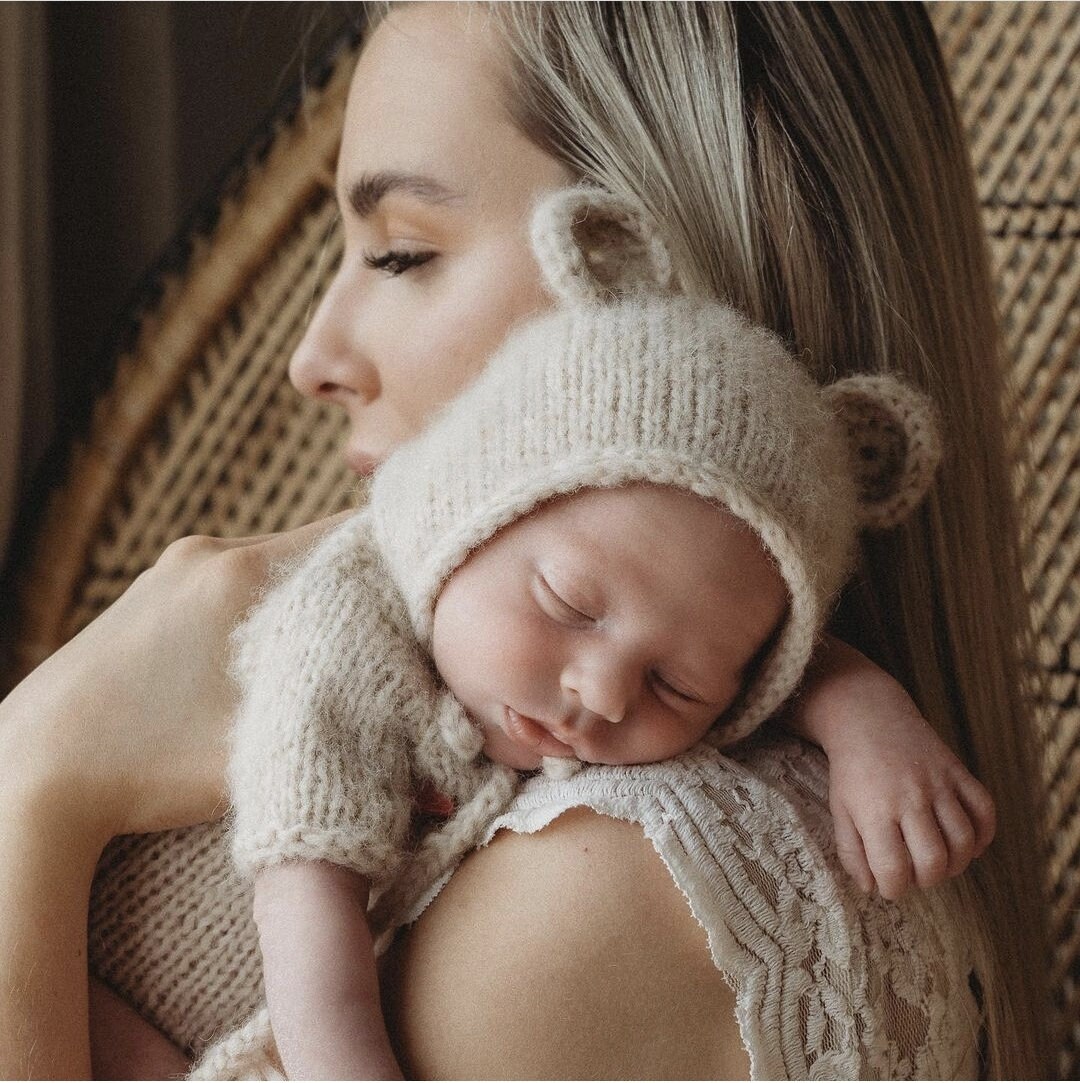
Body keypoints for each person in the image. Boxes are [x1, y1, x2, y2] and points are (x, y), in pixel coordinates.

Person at [0, 2, 1052, 1079]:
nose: (313, 358)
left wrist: (35, 775)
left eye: (401, 252)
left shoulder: (601, 887)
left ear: (641, 281)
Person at [193, 182, 983, 1079]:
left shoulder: (618, 685)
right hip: (205, 986)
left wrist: (864, 713)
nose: (603, 693)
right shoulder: (343, 629)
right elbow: (305, 896)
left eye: (676, 685)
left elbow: (758, 663)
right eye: (568, 604)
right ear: (466, 517)